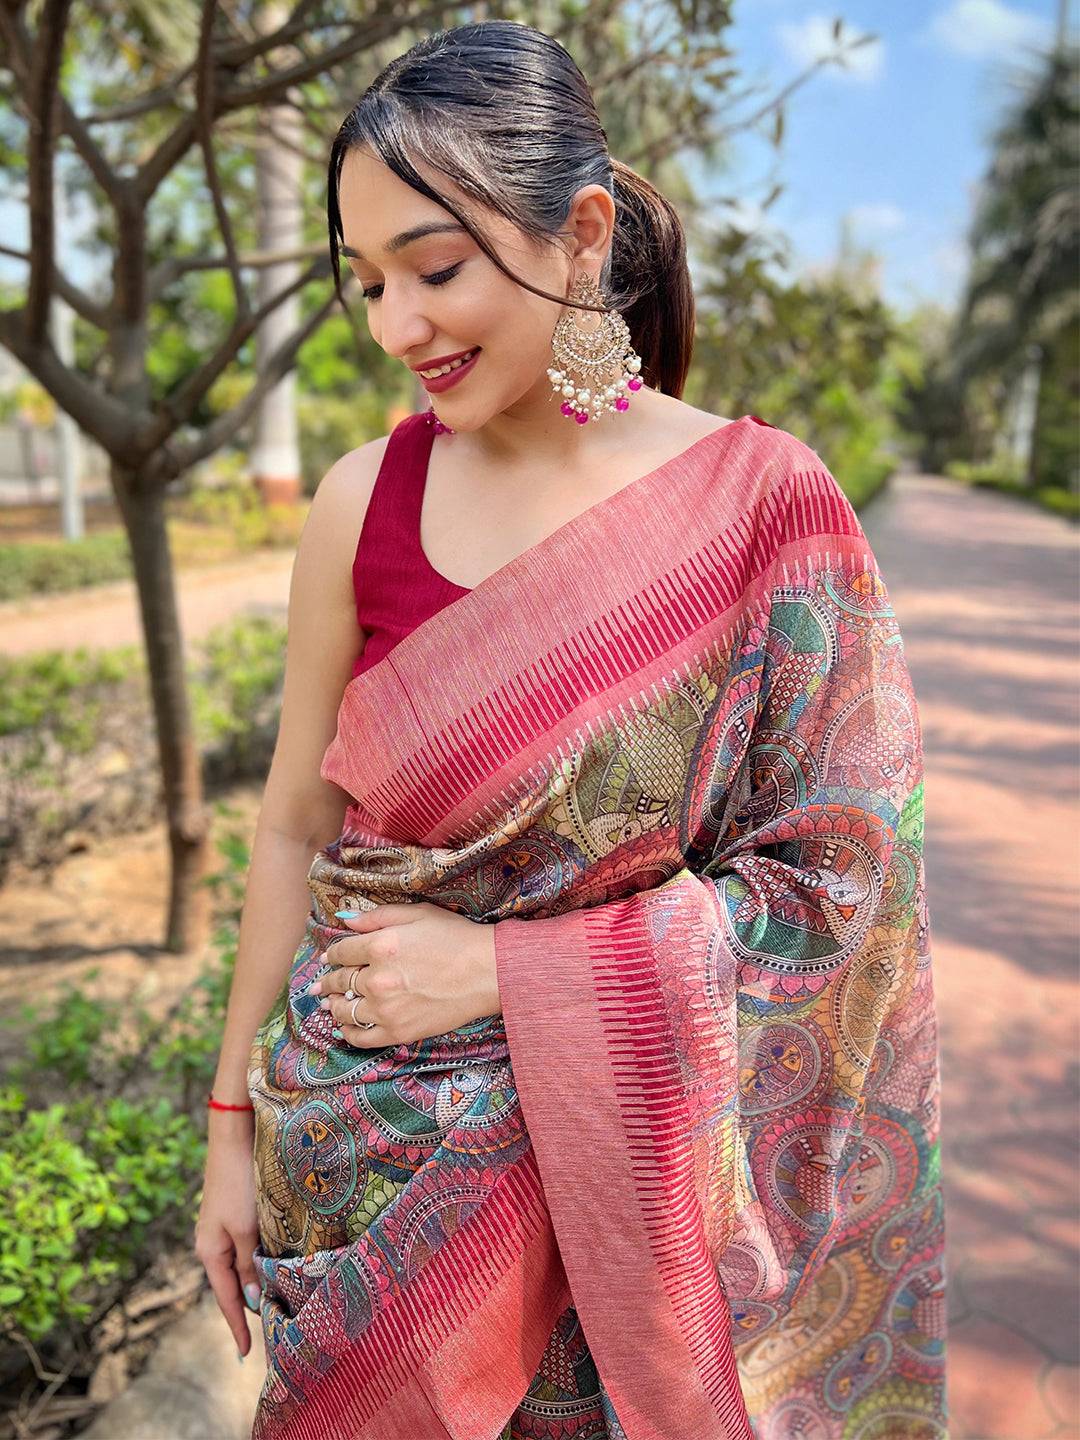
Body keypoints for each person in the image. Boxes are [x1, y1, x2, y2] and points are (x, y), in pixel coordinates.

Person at [195, 19, 948, 1440]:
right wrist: (228, 1131)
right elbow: (295, 820)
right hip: (349, 1202)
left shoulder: (760, 511)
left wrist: (504, 974)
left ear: (583, 231)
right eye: (365, 284)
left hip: (614, 1242)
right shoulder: (363, 500)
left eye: (433, 268)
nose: (395, 327)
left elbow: (847, 895)